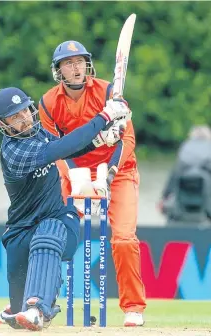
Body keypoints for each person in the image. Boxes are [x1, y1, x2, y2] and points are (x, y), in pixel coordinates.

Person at [0, 87, 130, 331]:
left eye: (24, 110)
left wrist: (101, 140)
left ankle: (38, 308)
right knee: (19, 313)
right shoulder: (13, 151)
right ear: (3, 124)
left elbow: (70, 147)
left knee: (49, 230)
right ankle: (21, 307)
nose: (24, 118)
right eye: (15, 116)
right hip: (21, 231)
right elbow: (60, 149)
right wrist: (104, 117)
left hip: (60, 219)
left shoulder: (37, 134)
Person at [38, 40, 146, 327]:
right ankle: (39, 303)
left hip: (118, 171)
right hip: (73, 171)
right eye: (68, 63)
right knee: (55, 235)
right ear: (58, 70)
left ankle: (133, 307)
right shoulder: (49, 102)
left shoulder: (110, 92)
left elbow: (128, 140)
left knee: (123, 238)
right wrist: (75, 174)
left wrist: (108, 174)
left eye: (79, 61)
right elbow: (53, 149)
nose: (76, 68)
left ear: (87, 64)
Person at [158, 125, 211, 226]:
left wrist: (163, 199)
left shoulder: (184, 153)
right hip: (206, 212)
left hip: (179, 212)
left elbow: (171, 183)